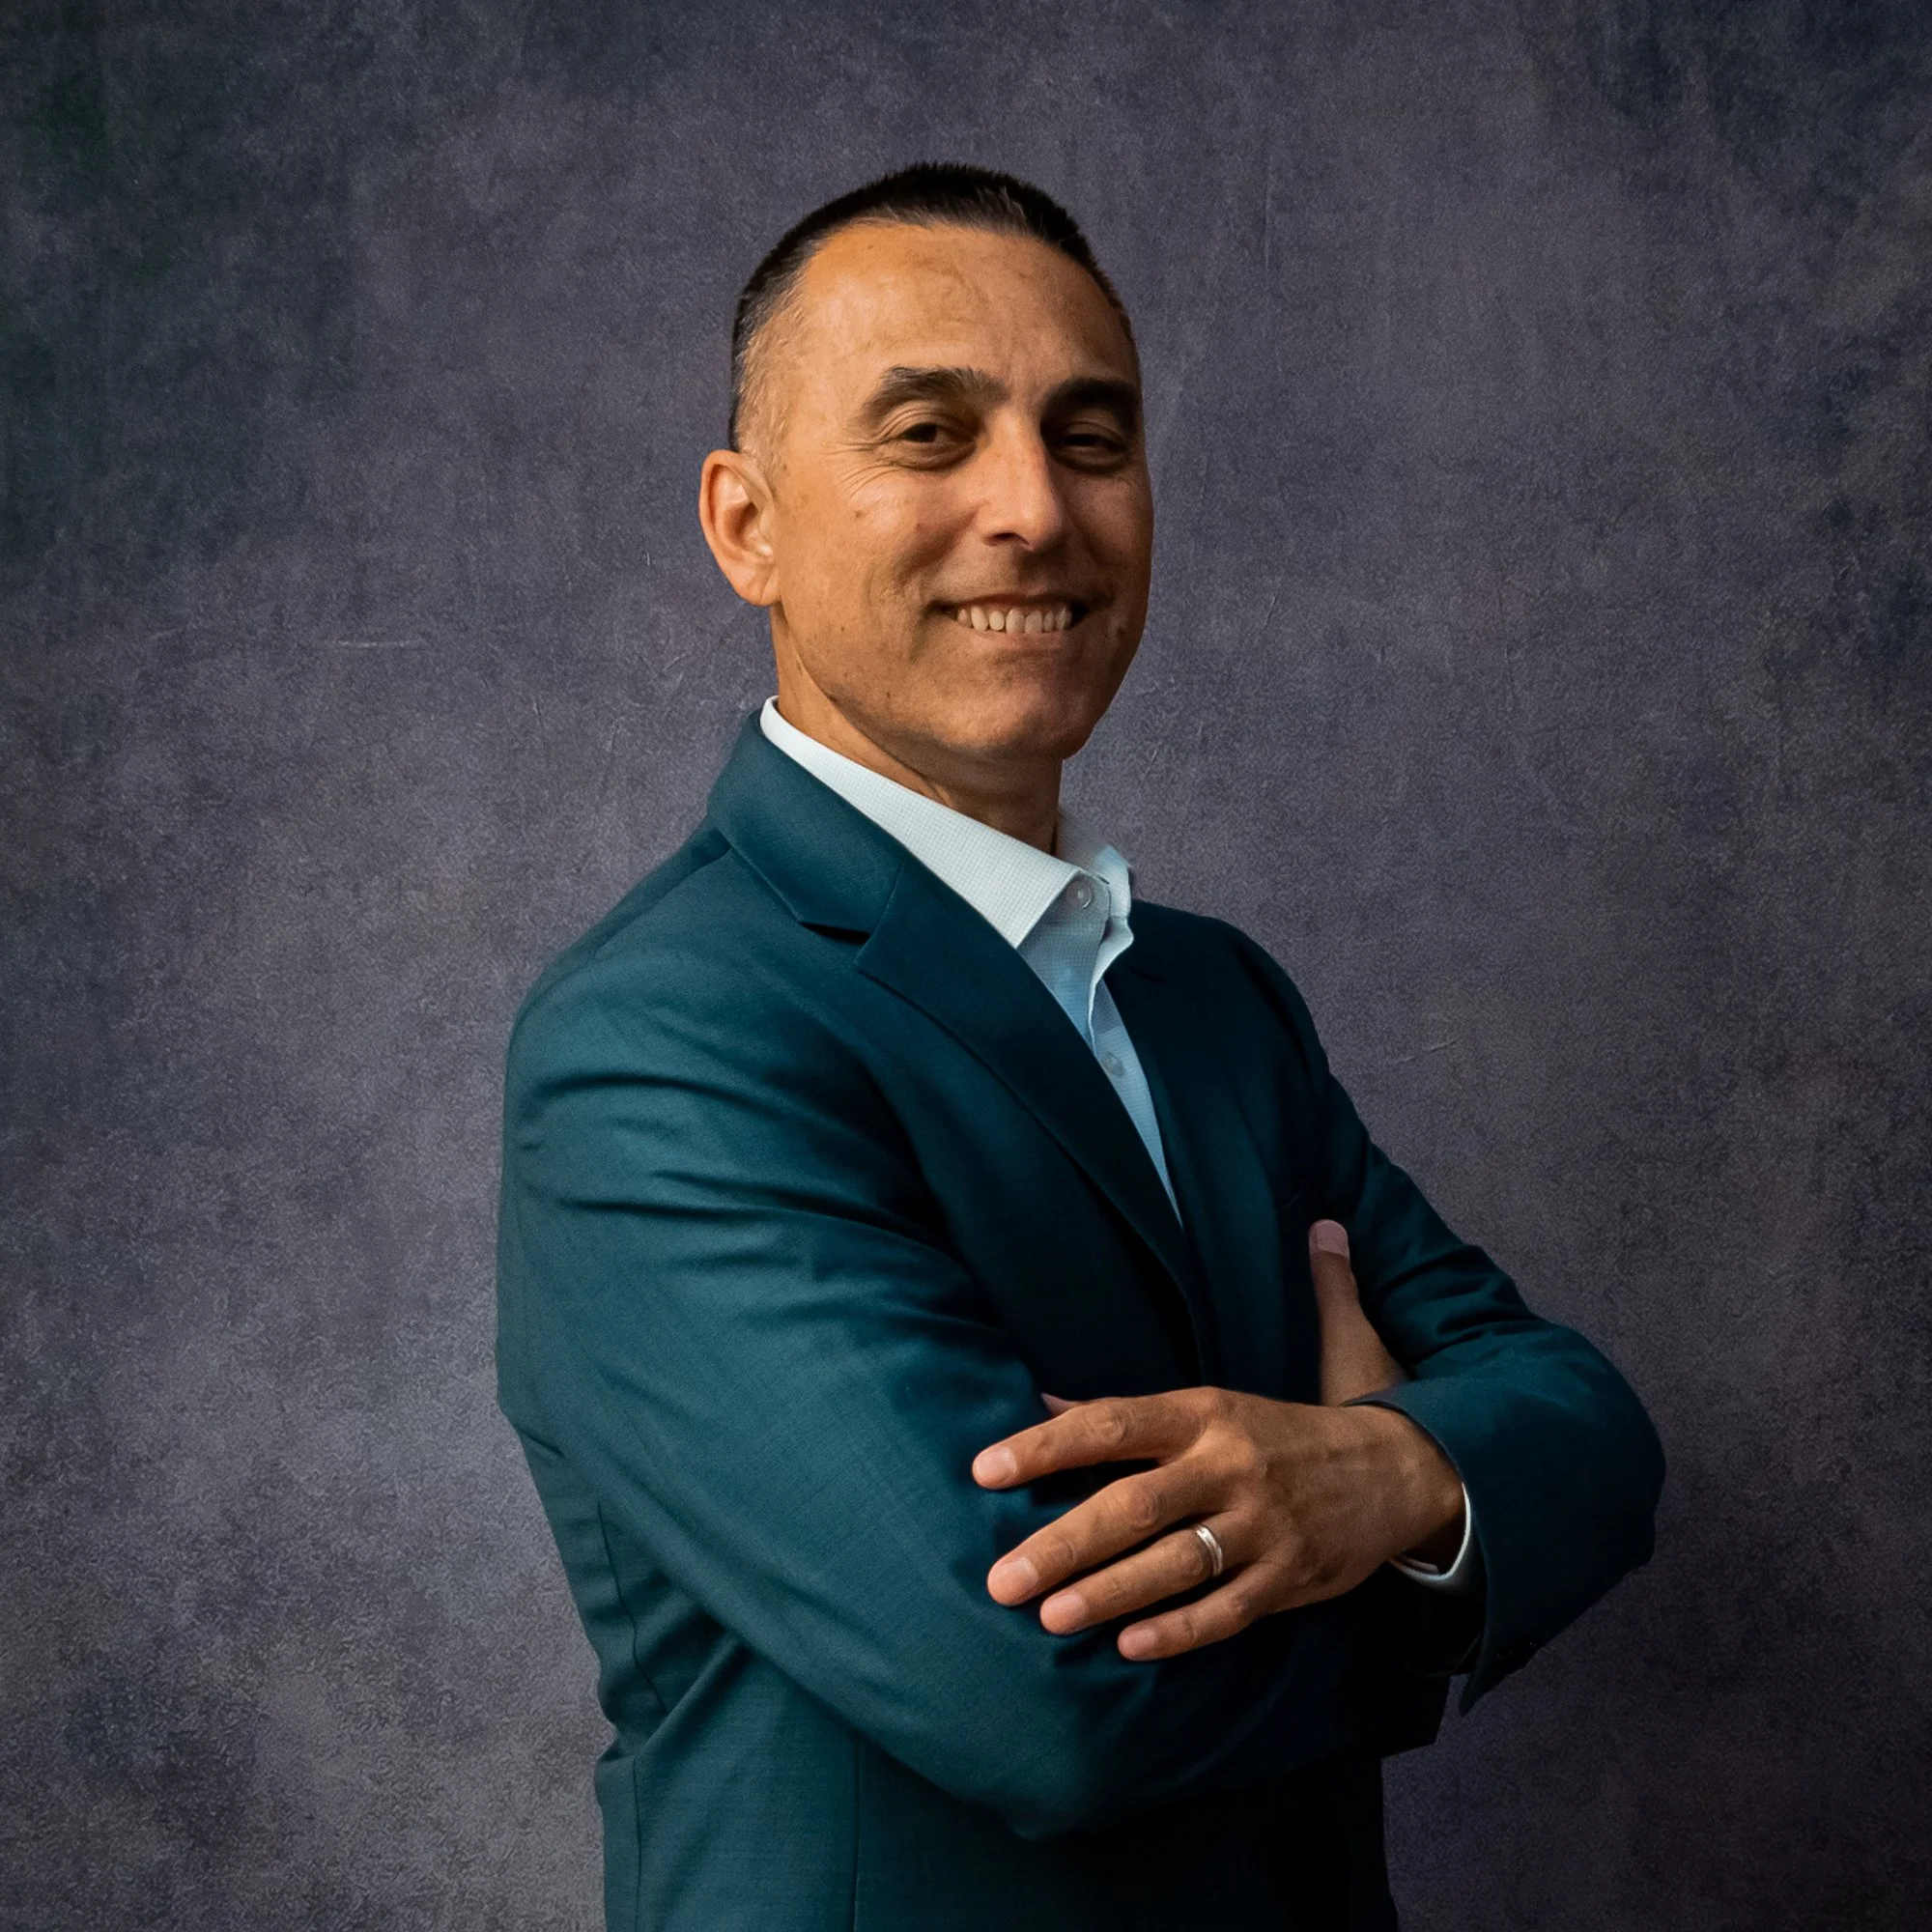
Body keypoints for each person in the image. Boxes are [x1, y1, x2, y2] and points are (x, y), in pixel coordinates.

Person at [494, 162, 1664, 1932]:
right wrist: (1417, 1548)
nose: (1036, 511)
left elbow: (1592, 1428)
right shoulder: (659, 1041)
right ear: (748, 527)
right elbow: (1045, 1702)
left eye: (1091, 438)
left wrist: (1385, 1471)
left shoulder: (1218, 998)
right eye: (931, 435)